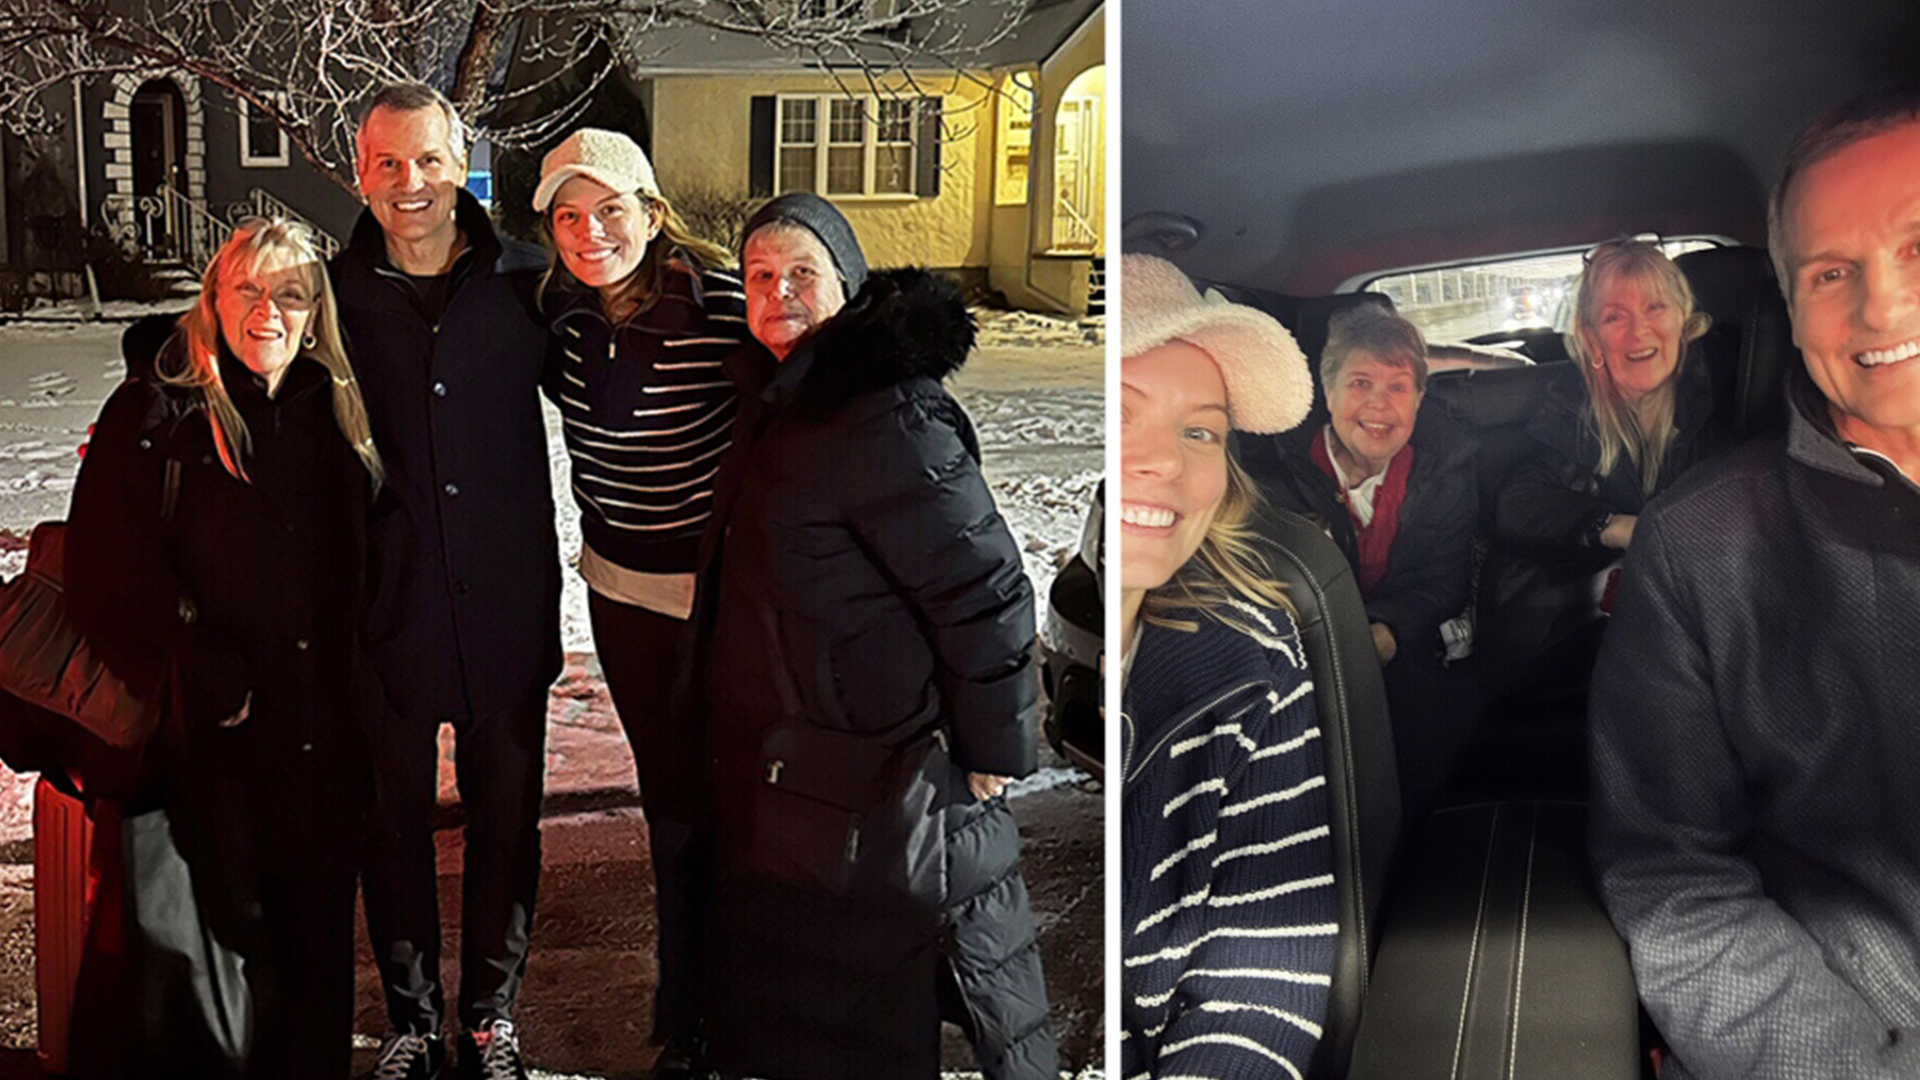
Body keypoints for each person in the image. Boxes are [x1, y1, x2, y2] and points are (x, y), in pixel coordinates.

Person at [1590, 85, 1920, 1079]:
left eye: (1919, 248)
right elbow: (1678, 882)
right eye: (1832, 271)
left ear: (1691, 325)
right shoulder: (1704, 539)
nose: (1884, 304)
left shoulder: (1716, 420)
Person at [694, 193, 1057, 1079]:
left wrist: (994, 744)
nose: (778, 292)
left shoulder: (885, 412)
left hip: (881, 770)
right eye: (760, 276)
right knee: (829, 1006)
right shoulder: (786, 398)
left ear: (848, 284)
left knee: (876, 1009)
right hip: (813, 764)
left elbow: (986, 588)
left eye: (801, 273)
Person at [67, 217, 384, 1079]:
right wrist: (200, 670)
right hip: (211, 751)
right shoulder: (159, 408)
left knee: (314, 971)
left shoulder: (339, 411)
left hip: (325, 745)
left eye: (291, 293)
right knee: (216, 984)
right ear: (214, 298)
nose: (269, 311)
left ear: (315, 311)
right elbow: (104, 573)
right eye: (249, 288)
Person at [331, 82, 560, 1080]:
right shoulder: (333, 295)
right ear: (359, 172)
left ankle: (491, 1014)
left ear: (461, 160)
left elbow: (628, 357)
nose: (410, 184)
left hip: (507, 604)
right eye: (388, 164)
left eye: (428, 160)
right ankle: (414, 1019)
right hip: (388, 606)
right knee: (392, 824)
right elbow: (228, 341)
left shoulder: (527, 282)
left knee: (508, 818)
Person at [532, 127, 742, 1075]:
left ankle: (746, 1000)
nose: (590, 233)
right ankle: (688, 999)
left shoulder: (722, 306)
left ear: (652, 213)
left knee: (737, 800)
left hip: (724, 601)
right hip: (621, 597)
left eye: (610, 210)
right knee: (671, 801)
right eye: (568, 217)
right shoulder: (561, 319)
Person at [1119, 253, 1335, 1080]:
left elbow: (1263, 977)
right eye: (1121, 410)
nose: (1164, 460)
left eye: (1198, 429)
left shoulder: (1254, 670)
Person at [1242, 301, 1476, 820]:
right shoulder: (1273, 477)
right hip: (1294, 660)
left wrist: (1388, 630)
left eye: (1398, 387)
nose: (1380, 406)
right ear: (1328, 393)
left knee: (1424, 738)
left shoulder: (1448, 476)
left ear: (1418, 399)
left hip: (1400, 654)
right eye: (1361, 383)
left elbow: (1446, 582)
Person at [1487, 239, 1731, 690]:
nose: (1639, 332)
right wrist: (1618, 526)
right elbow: (1517, 505)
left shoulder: (1729, 401)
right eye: (1615, 317)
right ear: (1591, 338)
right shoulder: (1571, 410)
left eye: (1655, 308)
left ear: (1685, 321)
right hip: (1594, 647)